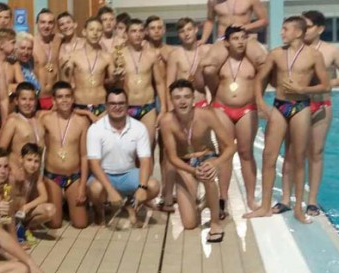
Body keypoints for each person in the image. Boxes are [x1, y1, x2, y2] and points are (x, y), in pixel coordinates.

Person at [245, 16, 330, 223]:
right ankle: (265, 206)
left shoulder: (314, 55)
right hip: (279, 105)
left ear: (298, 32)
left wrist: (303, 88)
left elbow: (326, 85)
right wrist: (260, 103)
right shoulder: (276, 53)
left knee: (299, 159)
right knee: (268, 156)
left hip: (301, 107)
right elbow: (260, 78)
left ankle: (298, 208)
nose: (281, 32)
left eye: (285, 29)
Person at [276, 10, 339, 216]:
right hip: (295, 106)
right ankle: (285, 198)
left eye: (309, 26)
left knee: (316, 153)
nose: (304, 30)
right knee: (291, 153)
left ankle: (312, 201)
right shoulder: (290, 51)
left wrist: (328, 83)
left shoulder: (330, 51)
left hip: (320, 106)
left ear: (320, 29)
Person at [160, 80, 236, 242]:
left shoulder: (206, 115)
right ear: (171, 100)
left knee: (207, 172)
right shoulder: (167, 121)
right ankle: (205, 201)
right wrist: (193, 171)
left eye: (187, 97)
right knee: (189, 224)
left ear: (193, 98)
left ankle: (215, 224)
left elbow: (230, 146)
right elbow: (172, 157)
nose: (182, 101)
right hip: (185, 163)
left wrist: (215, 163)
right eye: (177, 98)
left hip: (207, 156)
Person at [86, 88, 160, 225]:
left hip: (128, 173)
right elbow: (94, 164)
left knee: (153, 185)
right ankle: (99, 210)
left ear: (127, 105)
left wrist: (142, 187)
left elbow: (145, 160)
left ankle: (131, 205)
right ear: (106, 106)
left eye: (121, 103)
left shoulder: (139, 128)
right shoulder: (95, 129)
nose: (117, 107)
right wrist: (110, 190)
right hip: (105, 174)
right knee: (95, 189)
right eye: (113, 104)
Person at [208, 26, 259, 212]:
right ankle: (223, 197)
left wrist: (259, 101)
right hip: (222, 108)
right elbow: (210, 80)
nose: (240, 41)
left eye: (243, 38)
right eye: (235, 38)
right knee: (225, 153)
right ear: (227, 42)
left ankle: (251, 198)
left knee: (246, 153)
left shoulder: (252, 61)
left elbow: (263, 79)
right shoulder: (221, 62)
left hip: (247, 109)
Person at [200, 0, 268, 76]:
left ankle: (258, 88)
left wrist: (246, 27)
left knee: (263, 63)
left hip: (245, 38)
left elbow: (264, 21)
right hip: (223, 39)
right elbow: (210, 20)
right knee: (208, 68)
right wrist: (203, 39)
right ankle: (215, 88)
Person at [41, 81, 89, 229]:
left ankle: (68, 204)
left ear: (73, 99)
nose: (64, 100)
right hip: (52, 177)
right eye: (60, 97)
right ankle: (61, 204)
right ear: (54, 100)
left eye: (68, 96)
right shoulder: (46, 119)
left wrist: (82, 185)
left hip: (73, 177)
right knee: (54, 224)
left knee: (80, 224)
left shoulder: (81, 122)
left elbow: (84, 156)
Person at [63, 17, 121, 121]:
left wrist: (116, 77)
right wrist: (66, 70)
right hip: (79, 104)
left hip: (101, 105)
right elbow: (66, 82)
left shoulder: (107, 57)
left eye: (99, 30)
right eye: (91, 30)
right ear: (84, 32)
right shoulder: (74, 56)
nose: (95, 33)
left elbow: (111, 82)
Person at [123, 18, 166, 147]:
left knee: (148, 147)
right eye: (134, 31)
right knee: (128, 148)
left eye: (141, 31)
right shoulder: (118, 55)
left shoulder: (151, 55)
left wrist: (163, 107)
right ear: (126, 34)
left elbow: (159, 82)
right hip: (127, 106)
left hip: (148, 106)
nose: (138, 34)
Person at [0, 82, 45, 178]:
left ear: (36, 101)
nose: (27, 103)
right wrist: (11, 170)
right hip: (17, 176)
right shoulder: (13, 121)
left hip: (36, 176)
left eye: (31, 99)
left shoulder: (39, 120)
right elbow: (0, 152)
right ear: (16, 101)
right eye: (23, 99)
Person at [12, 143, 57, 242]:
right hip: (11, 214)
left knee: (51, 210)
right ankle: (14, 229)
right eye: (29, 160)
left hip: (24, 212)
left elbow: (44, 197)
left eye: (36, 161)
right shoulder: (16, 176)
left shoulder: (36, 175)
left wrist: (26, 207)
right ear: (21, 159)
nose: (33, 165)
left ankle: (24, 227)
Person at [166, 17, 212, 107]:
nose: (186, 34)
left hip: (204, 102)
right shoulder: (175, 55)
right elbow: (169, 85)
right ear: (178, 34)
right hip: (182, 105)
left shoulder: (207, 50)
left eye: (189, 29)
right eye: (182, 31)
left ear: (196, 30)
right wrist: (171, 108)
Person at [33, 8, 62, 110]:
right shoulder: (31, 43)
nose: (46, 26)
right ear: (36, 24)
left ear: (54, 25)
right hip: (37, 98)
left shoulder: (58, 40)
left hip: (55, 98)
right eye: (43, 22)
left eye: (50, 23)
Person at [0, 28, 18, 115]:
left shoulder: (13, 64)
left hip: (10, 109)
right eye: (13, 43)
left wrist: (10, 87)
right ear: (1, 44)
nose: (16, 46)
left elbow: (23, 86)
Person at [57, 12, 85, 83]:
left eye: (68, 22)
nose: (65, 26)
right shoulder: (58, 45)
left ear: (75, 24)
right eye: (62, 24)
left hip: (81, 86)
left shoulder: (85, 43)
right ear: (59, 28)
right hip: (64, 86)